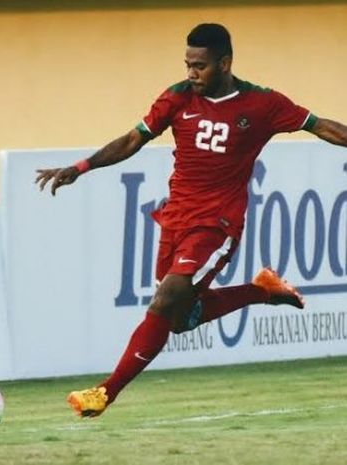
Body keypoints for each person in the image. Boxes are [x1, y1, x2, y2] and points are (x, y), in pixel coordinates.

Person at [35, 23, 347, 418]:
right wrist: (81, 166)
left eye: (199, 66)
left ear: (224, 63)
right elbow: (133, 140)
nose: (191, 73)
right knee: (180, 319)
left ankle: (104, 393)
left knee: (167, 298)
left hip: (217, 223)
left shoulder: (261, 104)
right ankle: (262, 291)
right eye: (187, 64)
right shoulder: (177, 98)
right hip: (176, 219)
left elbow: (321, 126)